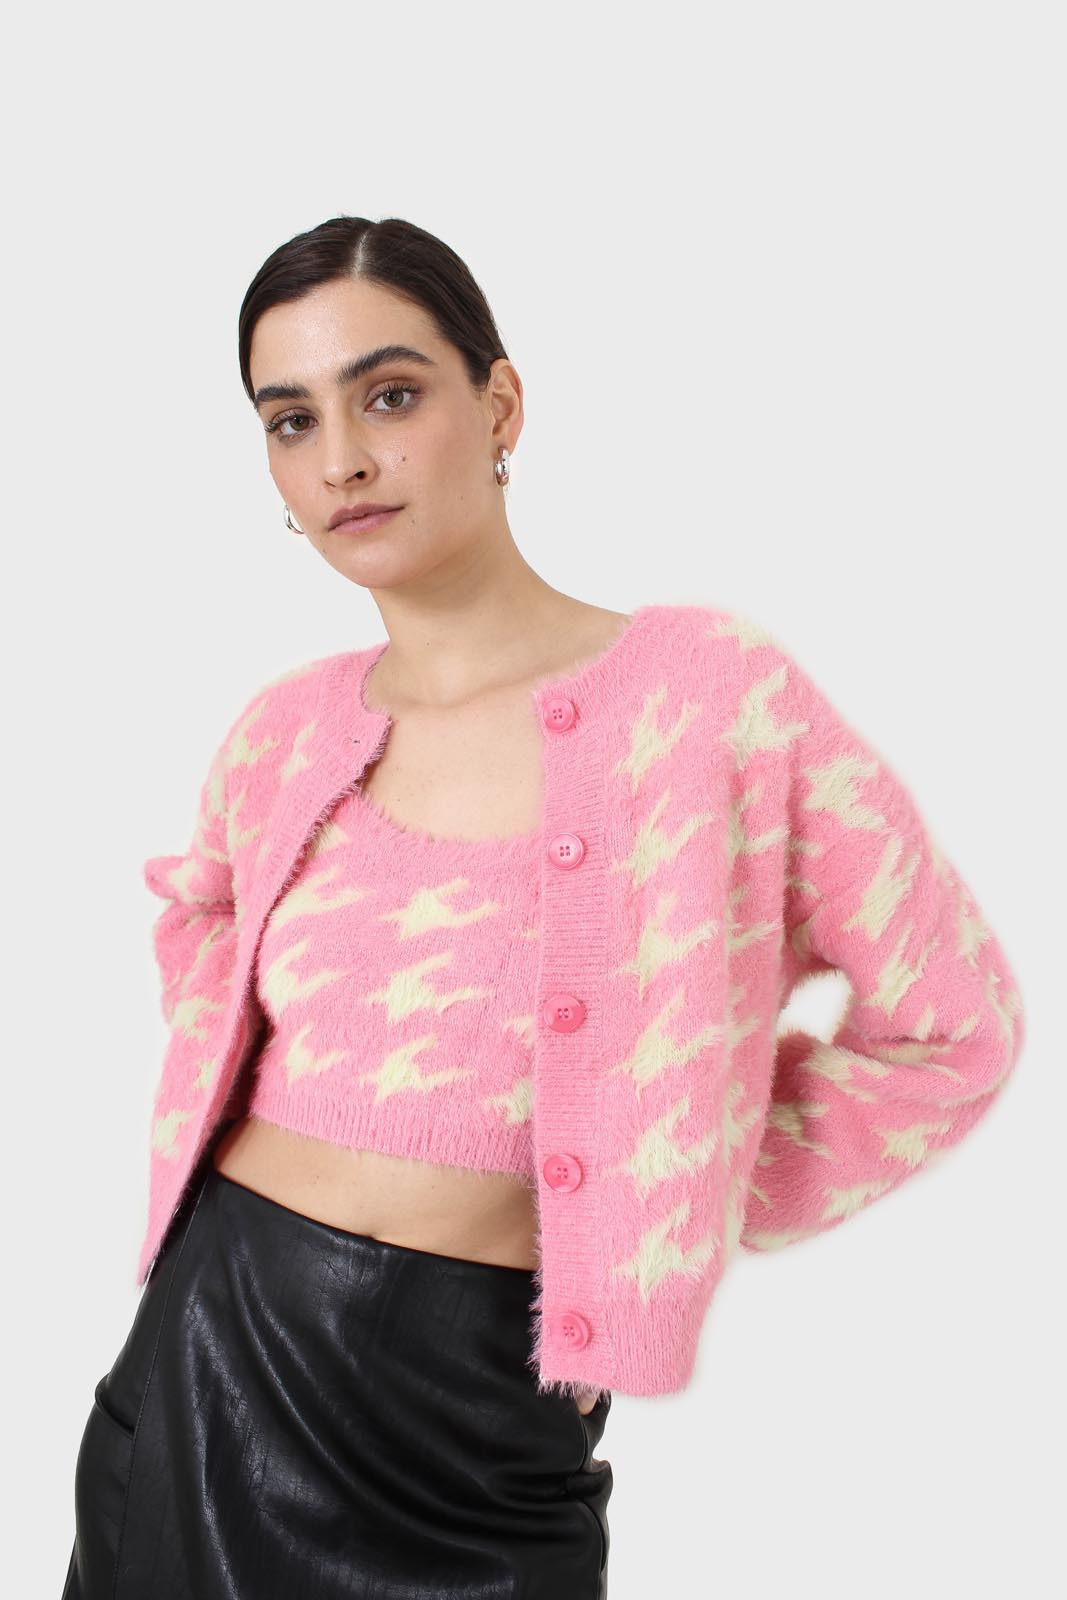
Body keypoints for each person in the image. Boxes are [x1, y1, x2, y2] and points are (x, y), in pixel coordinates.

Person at [61, 215, 1025, 1598]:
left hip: (473, 1428)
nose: (342, 461)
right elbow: (202, 919)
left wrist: (664, 1164)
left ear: (499, 404)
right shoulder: (287, 729)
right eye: (292, 420)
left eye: (391, 396)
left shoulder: (711, 701)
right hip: (201, 1359)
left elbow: (954, 1028)